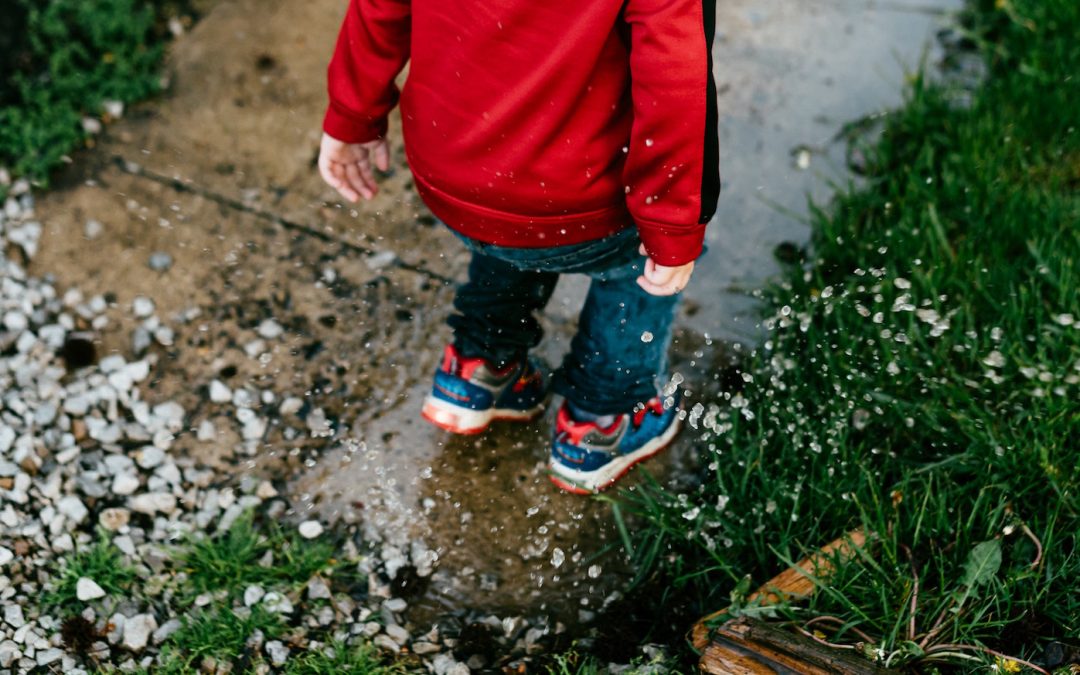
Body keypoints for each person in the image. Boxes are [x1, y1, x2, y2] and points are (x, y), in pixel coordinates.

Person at [318, 0, 720, 493]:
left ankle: (480, 364)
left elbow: (378, 9)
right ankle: (605, 416)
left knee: (510, 219)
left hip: (456, 170)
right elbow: (674, 77)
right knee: (633, 266)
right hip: (581, 194)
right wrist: (672, 222)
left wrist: (352, 115)